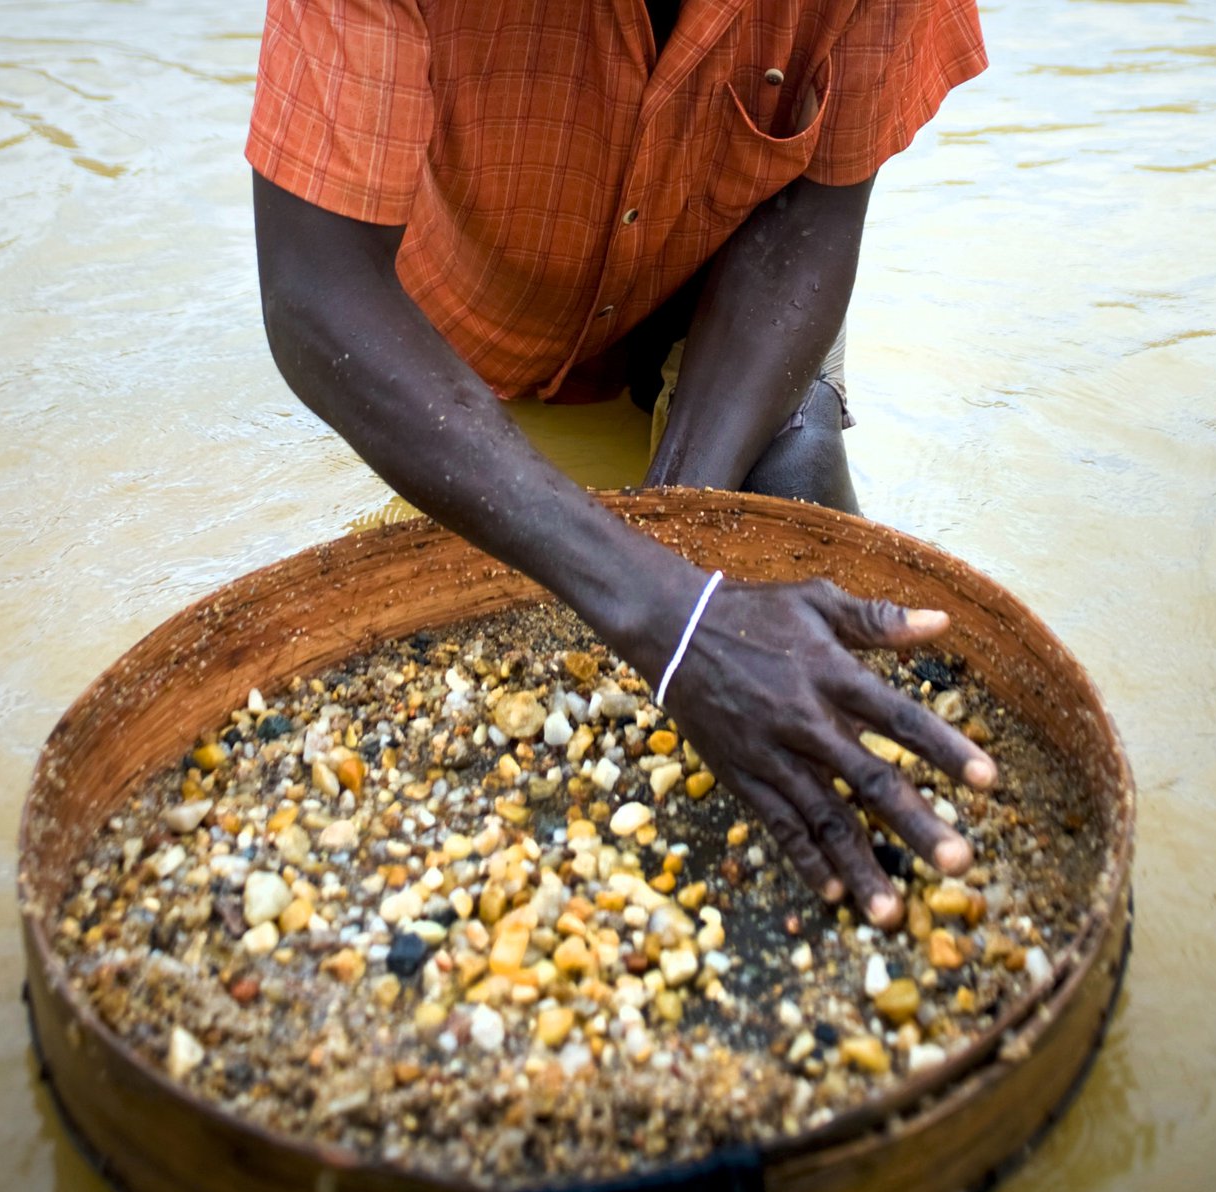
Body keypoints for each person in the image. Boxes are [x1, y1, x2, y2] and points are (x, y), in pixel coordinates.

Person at [247, 0, 997, 929]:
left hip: (728, 287)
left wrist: (662, 541)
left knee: (794, 486)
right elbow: (314, 287)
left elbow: (820, 204)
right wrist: (664, 609)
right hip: (474, 330)